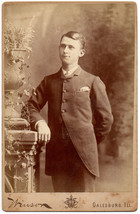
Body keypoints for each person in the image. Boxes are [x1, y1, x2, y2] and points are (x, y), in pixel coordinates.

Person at [28, 31, 113, 192]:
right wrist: (40, 122)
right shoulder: (49, 81)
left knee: (84, 205)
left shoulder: (93, 81)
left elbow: (105, 120)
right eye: (63, 46)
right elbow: (31, 106)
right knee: (61, 203)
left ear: (81, 53)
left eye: (71, 47)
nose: (65, 50)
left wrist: (88, 142)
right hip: (58, 157)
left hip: (84, 158)